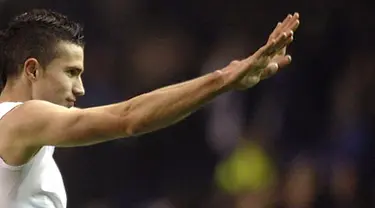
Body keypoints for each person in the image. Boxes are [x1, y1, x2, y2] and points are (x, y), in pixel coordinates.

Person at [0, 9, 300, 208]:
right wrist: (224, 79)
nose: (80, 89)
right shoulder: (22, 117)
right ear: (32, 70)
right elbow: (128, 118)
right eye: (71, 73)